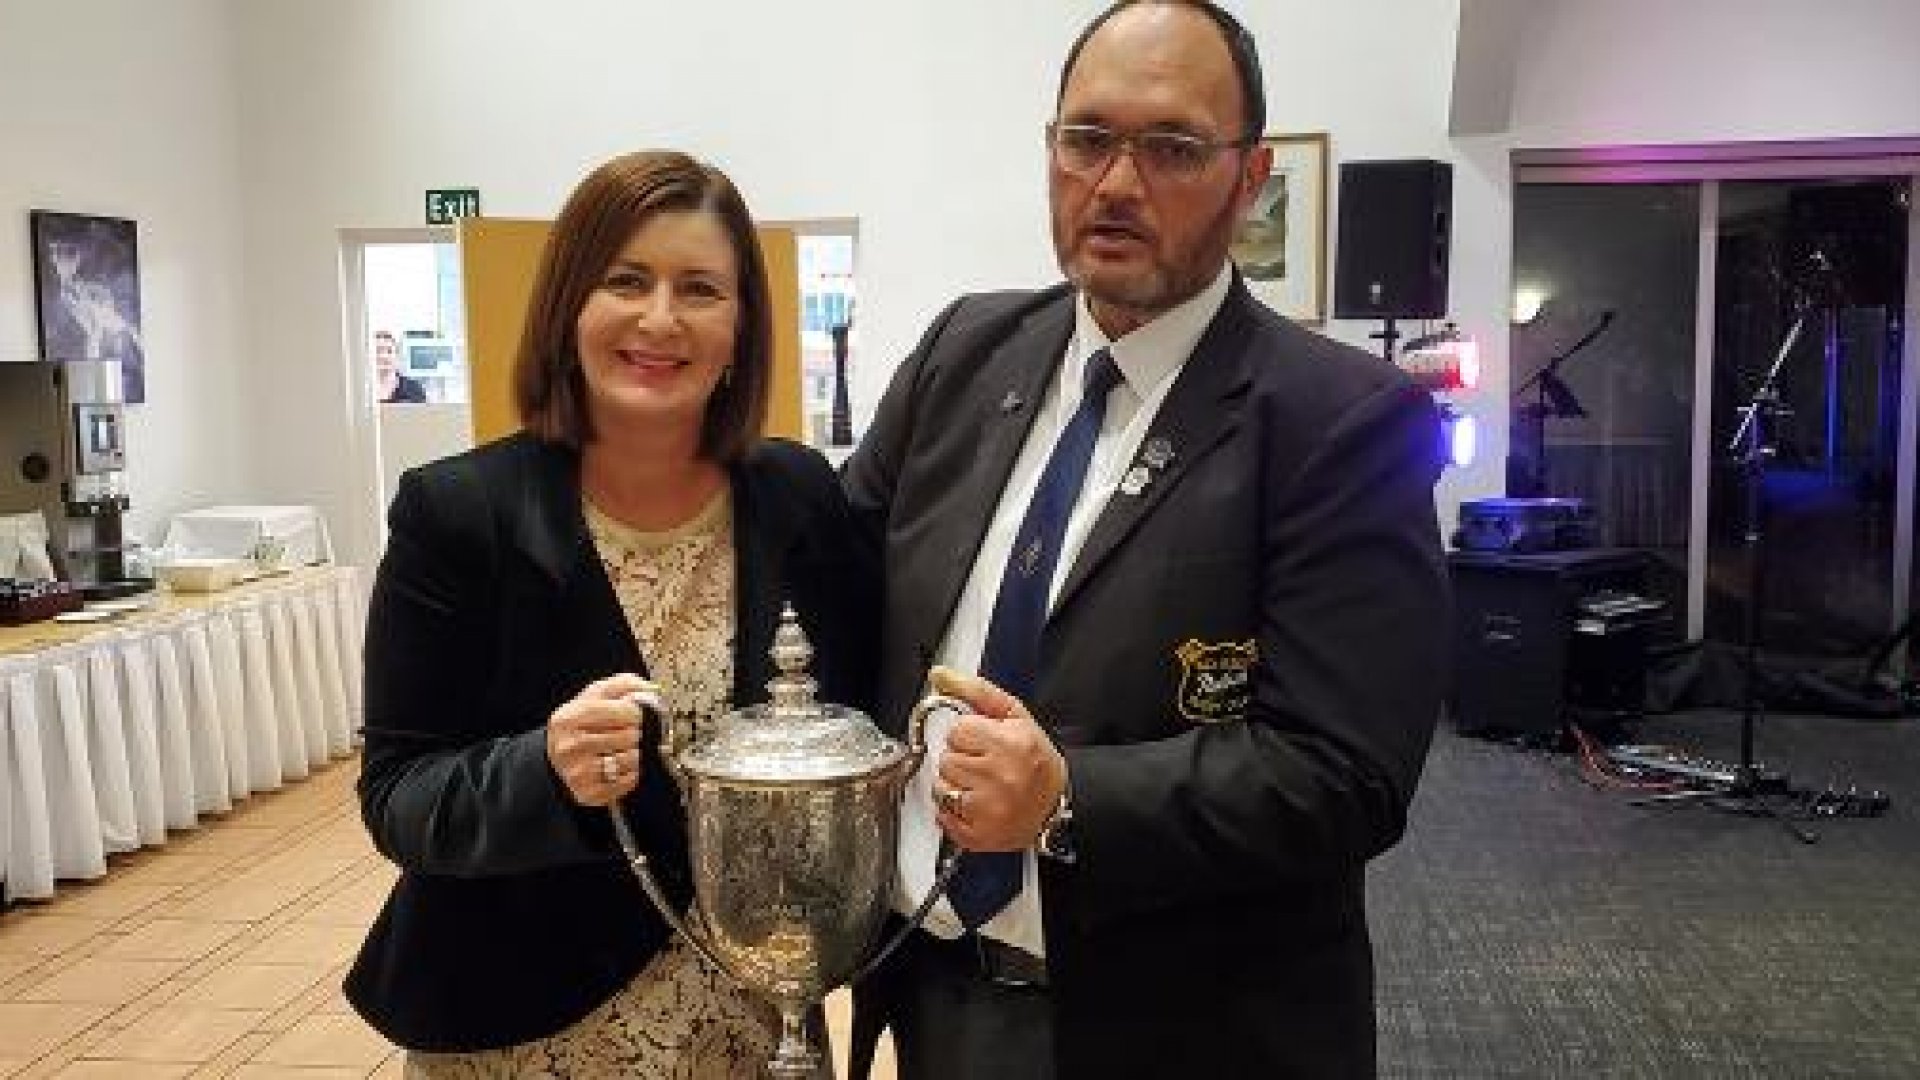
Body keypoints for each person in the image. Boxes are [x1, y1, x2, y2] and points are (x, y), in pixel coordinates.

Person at [843, 3, 1450, 1077]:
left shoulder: (1338, 422)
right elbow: (830, 582)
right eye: (1086, 140)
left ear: (1250, 175)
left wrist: (1066, 793)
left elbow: (1346, 773)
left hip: (1183, 1027)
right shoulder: (961, 354)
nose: (1116, 184)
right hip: (935, 997)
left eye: (1171, 148)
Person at [344, 150, 876, 1078]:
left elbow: (856, 724)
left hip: (749, 1028)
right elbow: (397, 796)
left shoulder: (797, 496)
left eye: (701, 288)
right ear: (568, 307)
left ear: (741, 323)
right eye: (626, 279)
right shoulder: (457, 514)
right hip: (526, 1030)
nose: (660, 319)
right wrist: (540, 770)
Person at [373, 330, 428, 403]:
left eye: (389, 351)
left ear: (397, 355)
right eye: (378, 351)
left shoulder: (414, 388)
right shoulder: (362, 388)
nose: (384, 356)